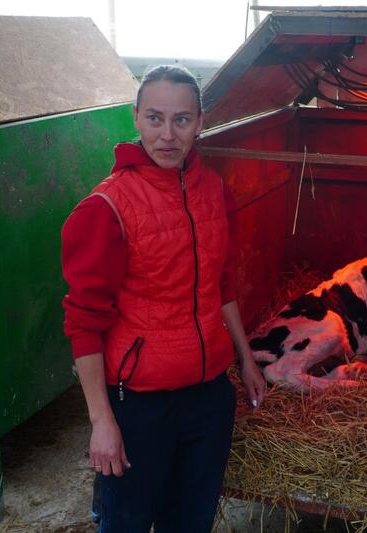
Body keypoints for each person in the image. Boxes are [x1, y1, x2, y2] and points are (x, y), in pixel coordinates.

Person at [61, 64, 266, 532]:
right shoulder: (106, 208)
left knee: (191, 520)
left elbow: (222, 284)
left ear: (200, 123)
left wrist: (245, 357)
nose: (168, 135)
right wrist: (101, 420)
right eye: (155, 118)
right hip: (140, 404)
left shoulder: (214, 191)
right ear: (135, 117)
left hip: (209, 396)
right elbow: (83, 324)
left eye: (182, 120)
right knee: (127, 521)